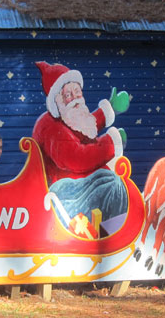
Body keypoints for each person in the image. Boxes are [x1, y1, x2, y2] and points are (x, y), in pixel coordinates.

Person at [31, 61, 131, 225]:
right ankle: (111, 232)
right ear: (57, 101)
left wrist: (108, 111)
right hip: (64, 194)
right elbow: (77, 158)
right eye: (68, 95)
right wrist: (111, 143)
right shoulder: (51, 127)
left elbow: (85, 127)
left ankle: (111, 231)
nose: (75, 99)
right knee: (112, 185)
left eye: (77, 92)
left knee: (113, 183)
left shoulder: (67, 117)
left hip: (78, 184)